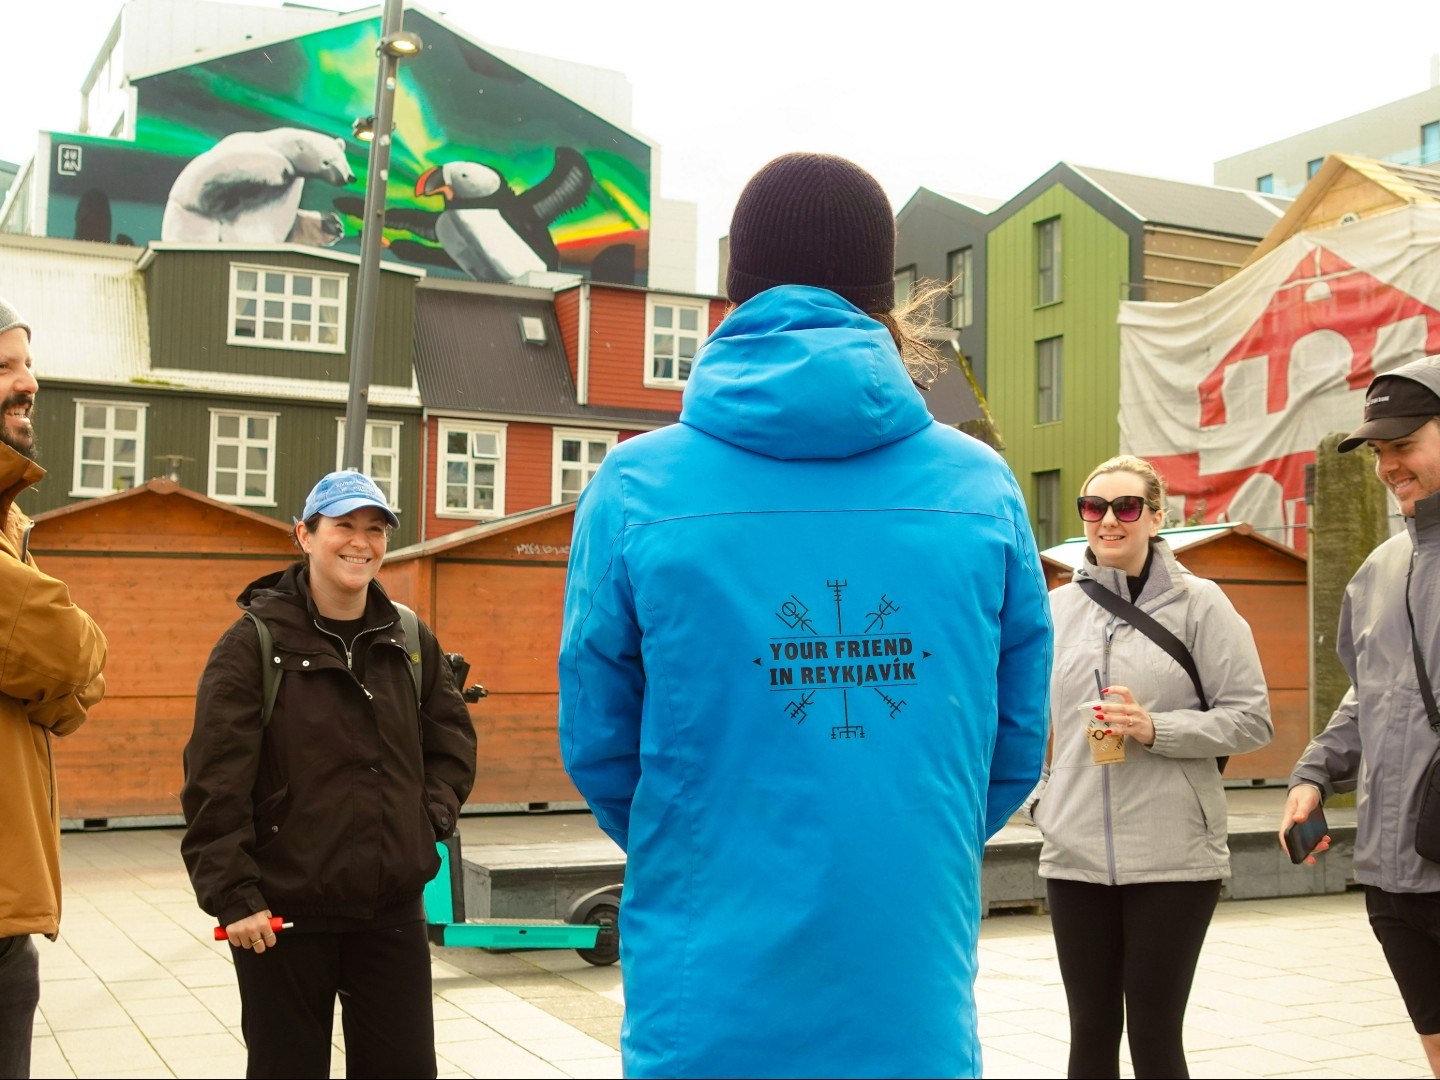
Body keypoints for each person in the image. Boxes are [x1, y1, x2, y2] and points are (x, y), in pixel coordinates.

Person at [558, 152, 1053, 1078]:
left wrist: (703, 826)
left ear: (735, 291)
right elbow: (1016, 738)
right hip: (907, 976)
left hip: (706, 990)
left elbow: (599, 738)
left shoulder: (636, 485)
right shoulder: (978, 485)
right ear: (885, 299)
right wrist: (904, 821)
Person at [180, 470, 476, 1079]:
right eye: (343, 526)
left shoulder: (410, 637)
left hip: (390, 909)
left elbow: (451, 746)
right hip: (282, 919)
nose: (360, 542)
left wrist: (426, 821)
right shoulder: (253, 643)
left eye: (374, 529)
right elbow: (215, 783)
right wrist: (234, 897)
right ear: (304, 535)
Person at [1029, 454, 1272, 1079]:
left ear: (1155, 516)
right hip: (1075, 851)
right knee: (1090, 1034)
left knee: (1156, 1035)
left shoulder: (1202, 604)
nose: (1108, 520)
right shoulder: (1057, 610)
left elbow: (1251, 719)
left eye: (1126, 507)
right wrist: (1042, 800)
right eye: (1094, 507)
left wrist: (1156, 728)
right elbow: (1019, 719)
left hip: (1174, 854)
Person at [1281, 354, 1440, 1078]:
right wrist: (1313, 776)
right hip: (1392, 877)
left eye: (1404, 445)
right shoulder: (1378, 569)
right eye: (1379, 451)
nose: (1388, 466)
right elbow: (1367, 691)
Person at [0, 298, 108, 1080]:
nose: (26, 382)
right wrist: (60, 669)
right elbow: (68, 648)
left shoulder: (12, 520)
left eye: (26, 362)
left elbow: (68, 678)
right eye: (3, 366)